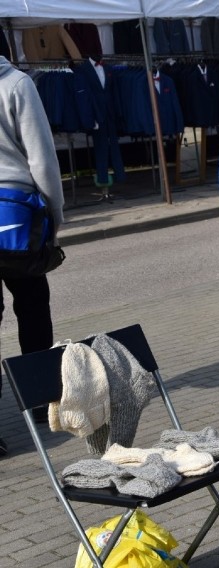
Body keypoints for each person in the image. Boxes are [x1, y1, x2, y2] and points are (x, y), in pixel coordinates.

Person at [0, 55, 65, 455]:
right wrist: (53, 215)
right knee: (33, 305)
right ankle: (40, 398)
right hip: (17, 216)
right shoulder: (16, 84)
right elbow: (41, 156)